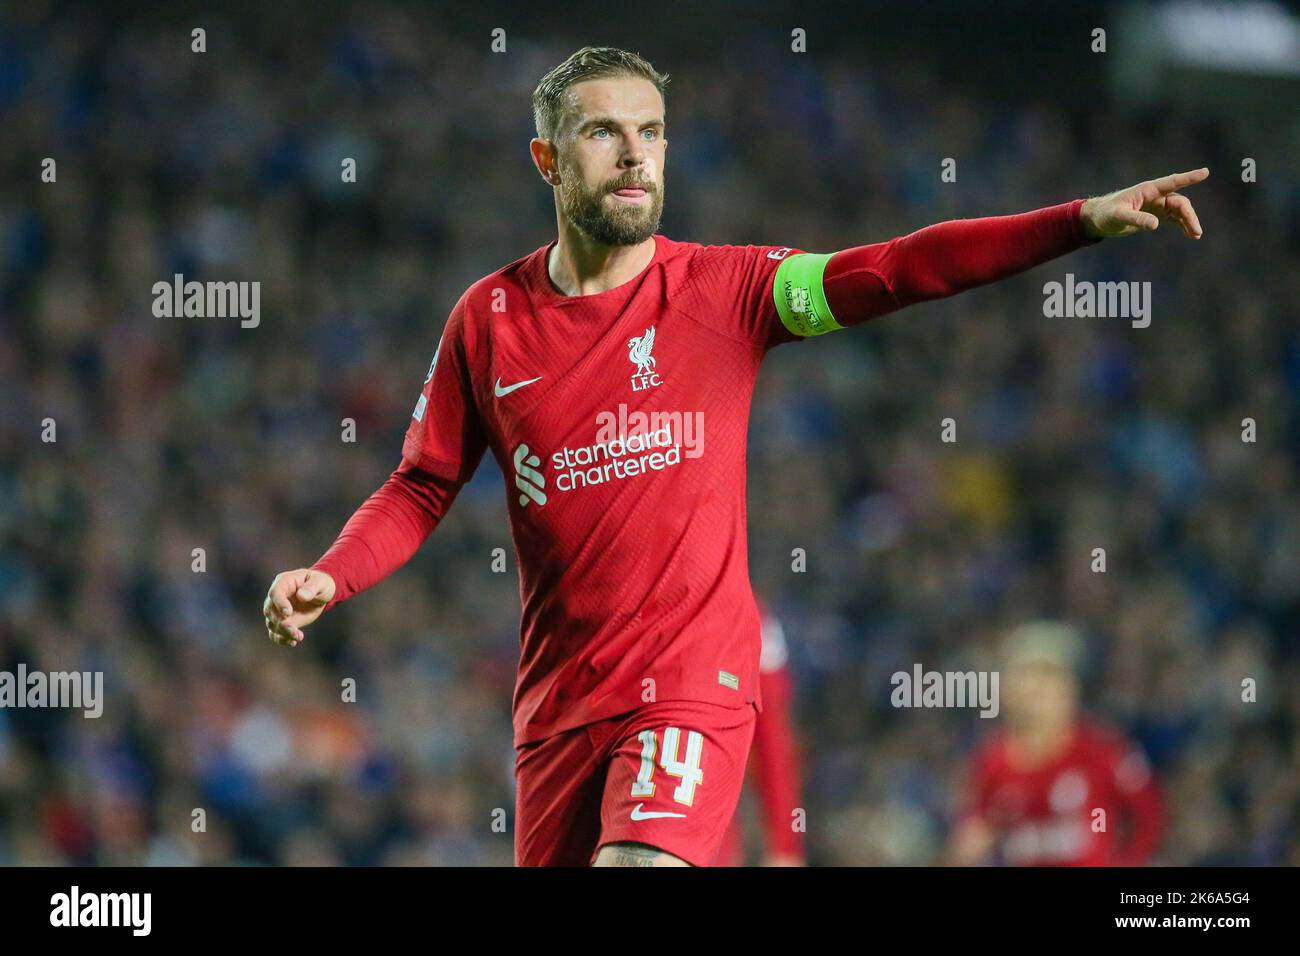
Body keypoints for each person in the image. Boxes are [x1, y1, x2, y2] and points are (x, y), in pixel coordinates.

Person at [262, 46, 1206, 866]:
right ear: (548, 159)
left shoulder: (731, 292)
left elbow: (898, 269)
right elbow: (423, 483)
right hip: (556, 708)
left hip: (691, 685)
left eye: (654, 130)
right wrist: (333, 576)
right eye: (604, 133)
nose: (636, 152)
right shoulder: (490, 319)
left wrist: (1077, 219)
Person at [949, 622, 1164, 865]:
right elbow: (977, 826)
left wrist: (1128, 861)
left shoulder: (1102, 750)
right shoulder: (993, 762)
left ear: (1071, 689)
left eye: (1049, 677)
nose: (1036, 689)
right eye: (1026, 677)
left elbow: (1148, 814)